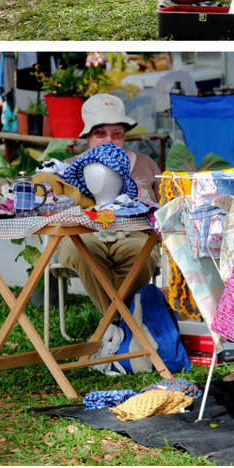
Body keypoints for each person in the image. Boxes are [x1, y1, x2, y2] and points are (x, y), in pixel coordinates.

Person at [51, 93, 164, 314]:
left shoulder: (146, 164)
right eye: (100, 133)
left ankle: (114, 326)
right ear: (88, 136)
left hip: (134, 234)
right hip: (80, 234)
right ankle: (123, 323)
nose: (109, 139)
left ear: (125, 135)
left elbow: (164, 207)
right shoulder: (67, 168)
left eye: (116, 134)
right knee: (81, 252)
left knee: (141, 253)